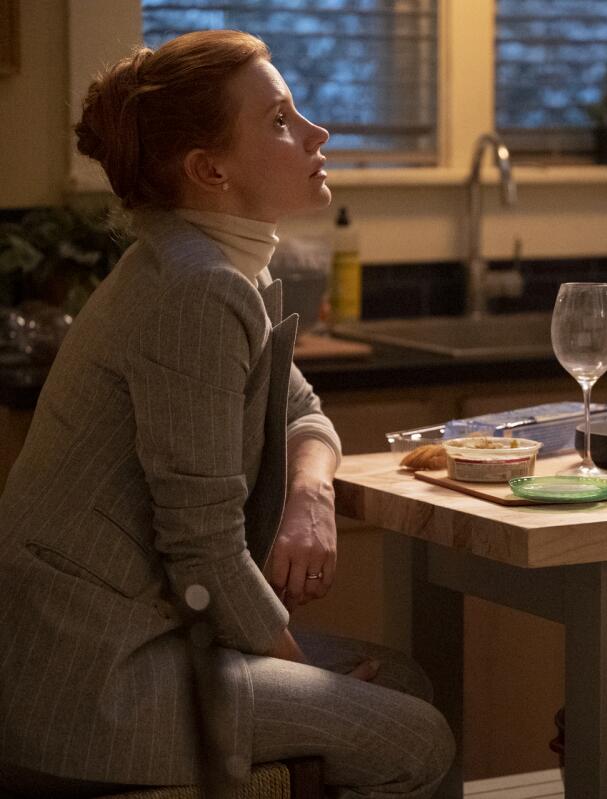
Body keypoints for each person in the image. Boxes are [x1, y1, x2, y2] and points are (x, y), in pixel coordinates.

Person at [0, 30, 453, 798]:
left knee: (402, 681)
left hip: (129, 647)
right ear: (210, 171)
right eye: (280, 120)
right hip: (97, 682)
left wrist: (310, 494)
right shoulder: (199, 289)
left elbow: (302, 406)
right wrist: (306, 679)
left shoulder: (213, 262)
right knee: (418, 738)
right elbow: (204, 551)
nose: (317, 132)